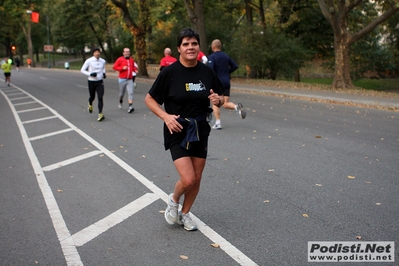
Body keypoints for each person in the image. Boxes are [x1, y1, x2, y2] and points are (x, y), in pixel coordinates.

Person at [145, 28, 225, 231]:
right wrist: (165, 116)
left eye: (194, 44)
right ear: (179, 48)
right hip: (177, 128)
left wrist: (219, 100)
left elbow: (220, 97)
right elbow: (149, 99)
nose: (190, 47)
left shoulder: (206, 71)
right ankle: (173, 200)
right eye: (186, 44)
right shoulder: (170, 73)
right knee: (188, 179)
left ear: (199, 47)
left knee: (197, 179)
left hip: (200, 129)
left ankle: (185, 213)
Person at [208, 39, 245, 130]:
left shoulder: (212, 57)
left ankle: (218, 123)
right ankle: (236, 107)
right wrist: (227, 72)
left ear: (213, 47)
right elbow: (235, 66)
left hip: (217, 82)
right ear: (220, 47)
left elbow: (210, 70)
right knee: (225, 103)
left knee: (215, 102)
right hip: (226, 81)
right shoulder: (226, 56)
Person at [80, 47, 107, 121]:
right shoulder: (89, 61)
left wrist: (104, 73)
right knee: (92, 96)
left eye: (98, 52)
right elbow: (82, 70)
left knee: (100, 97)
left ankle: (100, 113)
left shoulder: (103, 61)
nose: (97, 53)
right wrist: (90, 74)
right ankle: (90, 103)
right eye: (96, 52)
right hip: (91, 81)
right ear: (93, 53)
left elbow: (103, 68)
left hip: (100, 81)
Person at [113, 48, 138, 113]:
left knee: (131, 92)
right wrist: (122, 68)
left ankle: (130, 106)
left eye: (128, 52)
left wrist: (135, 70)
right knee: (122, 93)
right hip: (122, 79)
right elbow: (114, 67)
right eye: (126, 52)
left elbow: (133, 67)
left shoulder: (131, 60)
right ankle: (120, 101)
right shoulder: (120, 59)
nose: (127, 53)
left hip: (130, 79)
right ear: (123, 53)